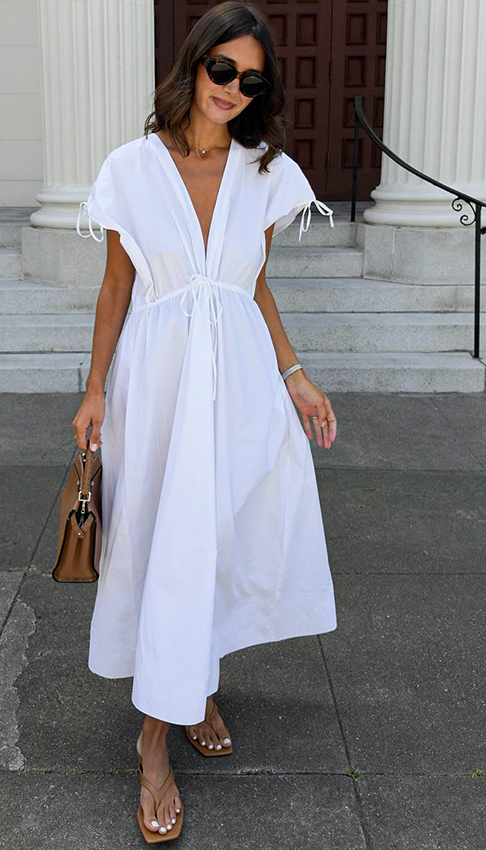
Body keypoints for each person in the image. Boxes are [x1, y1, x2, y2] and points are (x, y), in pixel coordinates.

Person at [72, 1, 338, 842]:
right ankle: (154, 741)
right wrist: (93, 388)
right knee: (166, 541)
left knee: (217, 539)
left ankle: (194, 685)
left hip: (240, 383)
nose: (232, 88)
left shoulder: (263, 171)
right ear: (193, 63)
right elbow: (117, 286)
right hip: (158, 384)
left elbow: (250, 284)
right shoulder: (131, 168)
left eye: (250, 80)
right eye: (222, 68)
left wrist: (294, 374)